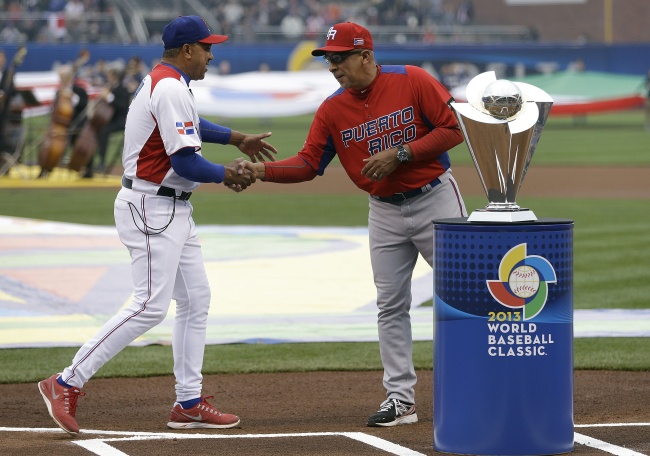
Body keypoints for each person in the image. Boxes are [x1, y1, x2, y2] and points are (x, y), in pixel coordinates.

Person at [38, 15, 277, 435]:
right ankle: (66, 381)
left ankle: (188, 402)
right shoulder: (169, 87)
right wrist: (228, 174)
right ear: (186, 50)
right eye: (206, 47)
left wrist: (236, 137)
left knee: (196, 299)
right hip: (152, 206)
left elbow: (193, 128)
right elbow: (185, 159)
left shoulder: (167, 81)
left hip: (170, 207)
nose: (211, 54)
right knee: (149, 305)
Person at [246, 22, 467, 428]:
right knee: (390, 305)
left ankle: (479, 385)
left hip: (435, 197)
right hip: (383, 209)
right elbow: (309, 163)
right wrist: (261, 171)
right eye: (328, 58)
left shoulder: (412, 80)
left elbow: (454, 129)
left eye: (339, 56)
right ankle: (401, 400)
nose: (332, 66)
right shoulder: (332, 108)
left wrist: (401, 153)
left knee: (464, 296)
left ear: (365, 56)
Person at [82, 66, 130, 178]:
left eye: (110, 76)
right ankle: (90, 163)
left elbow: (122, 106)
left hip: (120, 121)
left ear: (114, 76)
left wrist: (108, 97)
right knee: (97, 131)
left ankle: (102, 161)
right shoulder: (111, 88)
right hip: (109, 119)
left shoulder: (122, 89)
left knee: (104, 131)